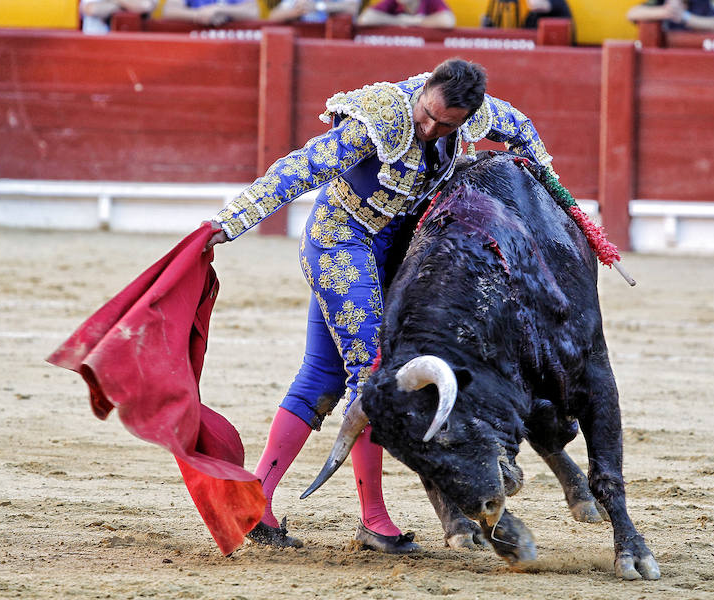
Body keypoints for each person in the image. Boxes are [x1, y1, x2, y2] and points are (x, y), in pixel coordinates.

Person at [203, 58, 559, 552]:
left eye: (445, 125)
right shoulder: (381, 117)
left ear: (466, 118)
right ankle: (374, 521)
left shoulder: (477, 114)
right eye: (427, 115)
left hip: (389, 252)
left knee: (321, 376)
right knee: (372, 377)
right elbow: (299, 168)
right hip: (341, 241)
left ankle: (252, 501)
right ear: (425, 89)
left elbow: (524, 132)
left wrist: (550, 198)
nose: (430, 128)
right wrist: (231, 221)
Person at [626, 0, 714, 32]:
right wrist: (665, 11)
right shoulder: (663, 1)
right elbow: (632, 14)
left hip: (700, 53)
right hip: (665, 56)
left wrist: (684, 16)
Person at [357, 0, 456, 28]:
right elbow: (364, 19)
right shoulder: (392, 2)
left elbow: (448, 21)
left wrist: (414, 21)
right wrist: (399, 20)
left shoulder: (430, 1)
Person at [80, 0, 157, 34]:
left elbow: (145, 6)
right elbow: (91, 9)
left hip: (135, 44)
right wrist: (127, 5)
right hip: (96, 40)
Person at [162, 0, 260, 26]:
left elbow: (253, 12)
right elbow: (169, 10)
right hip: (195, 43)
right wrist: (198, 15)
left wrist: (218, 9)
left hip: (232, 44)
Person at [268, 0, 360, 23]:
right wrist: (296, 11)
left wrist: (318, 6)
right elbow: (273, 16)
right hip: (307, 50)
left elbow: (352, 8)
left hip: (342, 50)